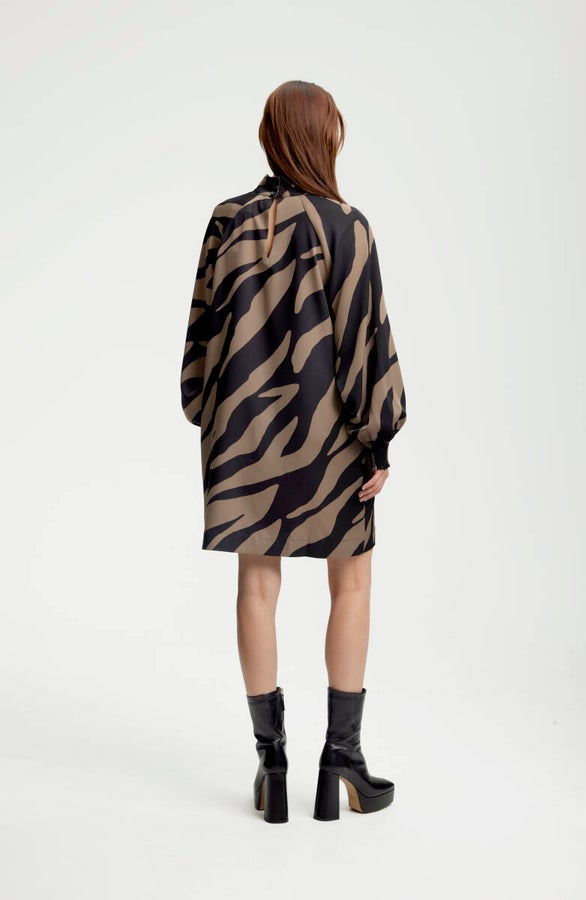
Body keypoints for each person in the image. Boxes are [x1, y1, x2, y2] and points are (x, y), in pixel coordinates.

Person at [180, 80, 408, 823]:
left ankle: (270, 765)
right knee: (352, 583)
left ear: (269, 136)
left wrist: (210, 414)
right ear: (325, 138)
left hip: (247, 438)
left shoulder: (228, 220)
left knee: (256, 585)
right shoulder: (348, 226)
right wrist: (379, 437)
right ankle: (342, 762)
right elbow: (365, 339)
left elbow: (202, 335)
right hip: (332, 438)